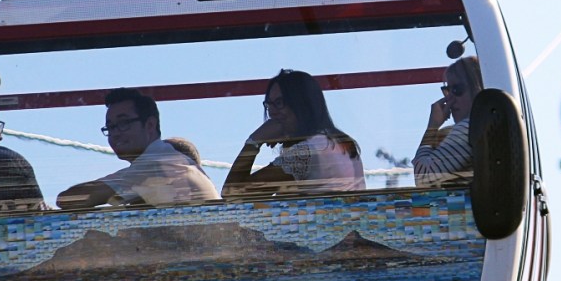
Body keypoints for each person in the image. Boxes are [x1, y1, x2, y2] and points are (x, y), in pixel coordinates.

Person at [58, 88, 218, 209]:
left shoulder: (154, 164)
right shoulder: (170, 159)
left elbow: (69, 199)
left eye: (123, 123)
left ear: (150, 125)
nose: (115, 134)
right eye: (110, 127)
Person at [222, 70, 365, 198]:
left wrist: (253, 142)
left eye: (279, 103)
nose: (272, 112)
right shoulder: (341, 143)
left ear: (301, 105)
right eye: (269, 104)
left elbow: (232, 194)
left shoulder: (306, 152)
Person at [412, 56, 483, 187]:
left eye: (457, 90)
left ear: (477, 88)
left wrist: (432, 127)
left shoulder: (468, 128)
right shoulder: (477, 128)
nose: (450, 99)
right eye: (447, 91)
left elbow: (422, 177)